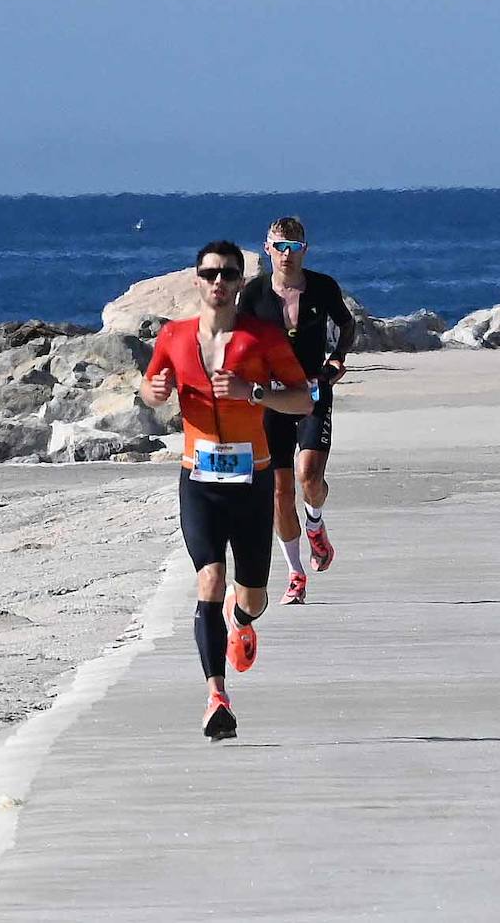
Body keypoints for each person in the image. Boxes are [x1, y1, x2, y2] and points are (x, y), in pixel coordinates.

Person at [140, 240, 313, 740]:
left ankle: (242, 621)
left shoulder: (262, 339)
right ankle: (216, 695)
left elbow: (302, 400)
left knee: (252, 594)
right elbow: (150, 388)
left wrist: (252, 393)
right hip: (198, 480)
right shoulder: (173, 336)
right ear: (196, 280)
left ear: (240, 283)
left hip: (252, 479)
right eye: (210, 274)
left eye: (228, 275)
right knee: (209, 578)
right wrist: (150, 393)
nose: (219, 283)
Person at [237, 217, 357, 605]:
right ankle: (295, 573)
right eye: (280, 247)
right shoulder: (254, 294)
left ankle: (316, 525)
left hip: (312, 393)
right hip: (271, 399)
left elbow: (345, 324)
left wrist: (336, 360)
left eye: (294, 248)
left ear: (305, 249)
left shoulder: (323, 287)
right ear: (267, 248)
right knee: (278, 492)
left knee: (309, 478)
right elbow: (239, 343)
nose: (287, 255)